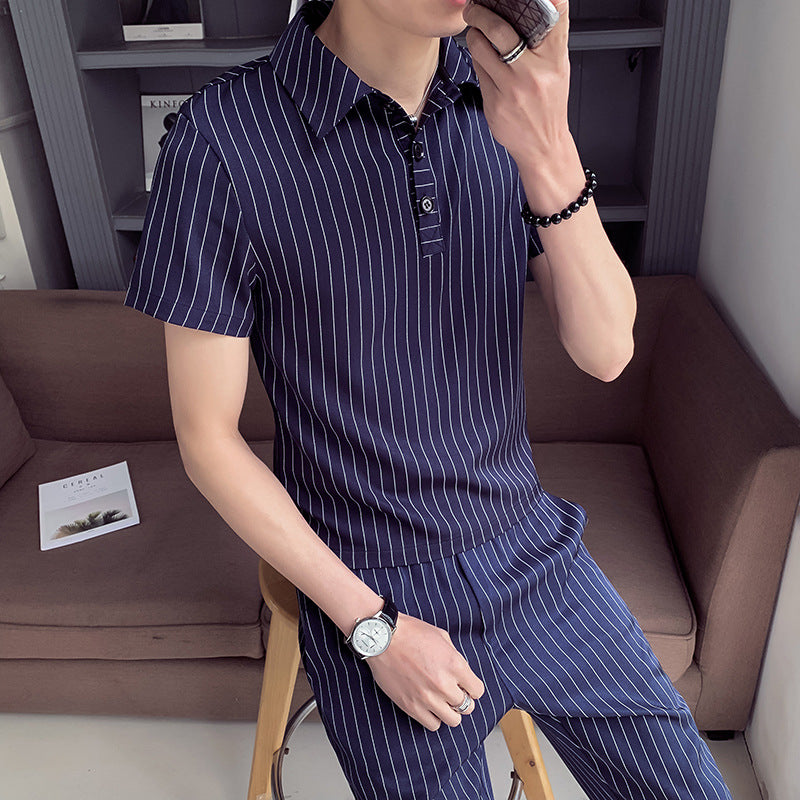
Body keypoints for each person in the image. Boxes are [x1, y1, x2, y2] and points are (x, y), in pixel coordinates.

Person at [122, 0, 735, 797]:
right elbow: (208, 439)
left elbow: (607, 351)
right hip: (371, 580)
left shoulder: (507, 94)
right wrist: (372, 627)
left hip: (533, 548)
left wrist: (547, 144)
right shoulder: (221, 138)